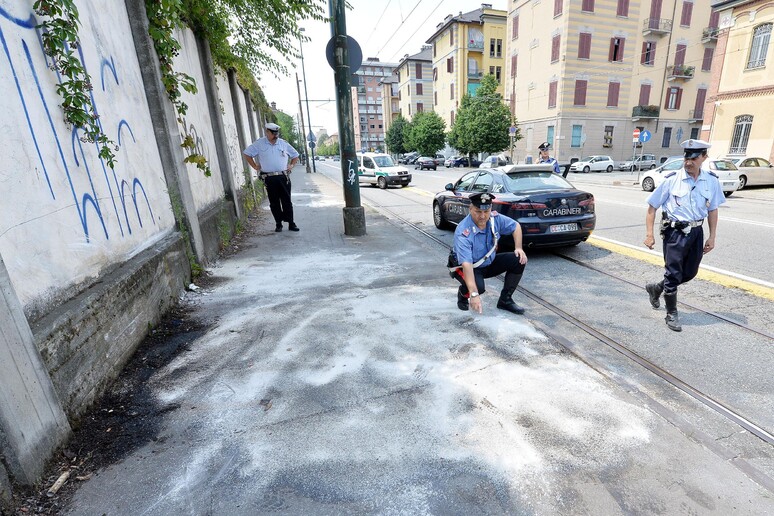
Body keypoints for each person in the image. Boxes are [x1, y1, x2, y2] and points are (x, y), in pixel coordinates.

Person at [643, 139, 725, 331]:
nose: (688, 162)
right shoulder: (672, 179)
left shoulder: (711, 181)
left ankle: (656, 288)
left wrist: (712, 237)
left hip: (696, 231)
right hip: (675, 232)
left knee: (689, 272)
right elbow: (651, 207)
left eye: (694, 158)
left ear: (704, 157)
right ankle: (671, 313)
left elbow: (713, 210)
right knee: (673, 273)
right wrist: (649, 234)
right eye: (686, 158)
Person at [451, 192, 528, 315]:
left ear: (490, 209)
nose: (482, 216)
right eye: (478, 211)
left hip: (488, 262)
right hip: (469, 267)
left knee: (518, 259)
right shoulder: (463, 232)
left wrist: (518, 248)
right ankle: (463, 293)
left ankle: (505, 300)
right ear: (470, 209)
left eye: (486, 211)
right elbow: (467, 265)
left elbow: (516, 226)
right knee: (478, 288)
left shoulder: (494, 219)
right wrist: (474, 294)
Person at [243, 122, 300, 232]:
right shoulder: (260, 144)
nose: (275, 136)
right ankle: (278, 223)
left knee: (287, 201)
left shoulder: (283, 143)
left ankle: (291, 223)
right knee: (274, 202)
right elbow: (247, 153)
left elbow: (295, 155)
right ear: (267, 132)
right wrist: (255, 166)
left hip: (283, 177)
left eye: (276, 134)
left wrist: (291, 165)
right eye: (272, 133)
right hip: (269, 178)